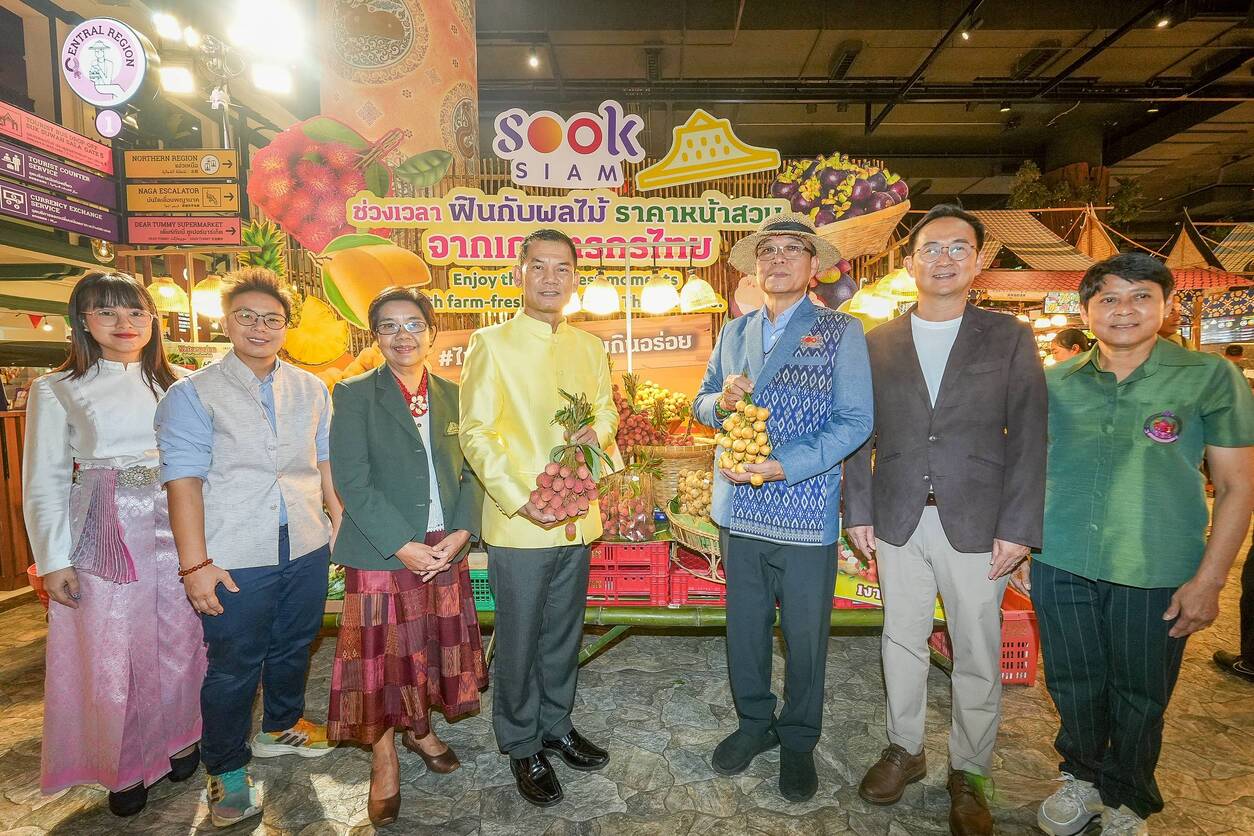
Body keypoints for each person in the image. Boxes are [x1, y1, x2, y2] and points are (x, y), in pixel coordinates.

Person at [1032, 252, 1254, 836]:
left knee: (1141, 691)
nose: (1123, 310)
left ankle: (1128, 799)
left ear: (1166, 306)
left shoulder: (1209, 376)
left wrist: (1210, 581)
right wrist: (1022, 548)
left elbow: (1236, 486)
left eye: (1140, 297)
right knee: (1072, 680)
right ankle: (1081, 776)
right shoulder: (1054, 383)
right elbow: (1029, 469)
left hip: (1155, 565)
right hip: (1062, 558)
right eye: (1108, 298)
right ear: (1085, 311)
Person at [845, 204, 1047, 836]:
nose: (944, 258)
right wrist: (858, 509)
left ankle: (970, 771)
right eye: (931, 248)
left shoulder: (1008, 336)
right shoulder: (877, 341)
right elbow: (859, 431)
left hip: (980, 522)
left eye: (959, 248)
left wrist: (1019, 526)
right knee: (900, 638)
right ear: (909, 263)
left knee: (977, 648)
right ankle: (905, 748)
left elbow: (1031, 436)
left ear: (979, 261)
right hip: (897, 516)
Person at [692, 213, 873, 802]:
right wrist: (722, 401)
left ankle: (798, 738)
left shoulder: (840, 332)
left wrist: (783, 465)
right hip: (739, 508)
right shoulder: (733, 331)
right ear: (754, 267)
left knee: (804, 636)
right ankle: (754, 723)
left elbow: (856, 421)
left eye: (792, 250)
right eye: (768, 251)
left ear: (813, 265)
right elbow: (700, 403)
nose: (778, 259)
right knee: (745, 629)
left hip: (804, 510)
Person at [156, 268, 343, 828]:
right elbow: (183, 482)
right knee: (234, 664)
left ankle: (280, 726)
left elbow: (323, 460)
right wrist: (195, 565)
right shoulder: (192, 393)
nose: (260, 327)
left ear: (286, 327)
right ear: (226, 321)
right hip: (233, 550)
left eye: (272, 319)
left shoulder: (311, 388)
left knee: (295, 644)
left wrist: (337, 518)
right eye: (247, 316)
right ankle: (226, 768)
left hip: (305, 541)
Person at [22, 272, 205, 817]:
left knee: (183, 638)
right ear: (82, 321)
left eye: (135, 312)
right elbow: (44, 479)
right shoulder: (57, 388)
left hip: (178, 522)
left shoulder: (185, 383)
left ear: (153, 320)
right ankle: (124, 764)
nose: (124, 324)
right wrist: (53, 560)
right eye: (106, 312)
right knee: (110, 650)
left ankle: (181, 736)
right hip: (106, 529)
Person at [459, 228, 618, 807]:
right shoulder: (490, 343)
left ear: (576, 278)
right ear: (519, 273)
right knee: (520, 639)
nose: (551, 278)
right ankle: (521, 742)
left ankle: (556, 725)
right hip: (520, 519)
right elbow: (476, 432)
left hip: (578, 514)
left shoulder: (589, 346)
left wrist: (597, 433)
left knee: (564, 633)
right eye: (539, 266)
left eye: (563, 268)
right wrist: (516, 496)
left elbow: (607, 412)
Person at [327, 287, 487, 827]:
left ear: (432, 333)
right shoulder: (354, 394)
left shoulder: (455, 395)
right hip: (382, 548)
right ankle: (384, 757)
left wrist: (462, 531)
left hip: (443, 544)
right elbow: (352, 480)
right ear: (376, 336)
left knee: (427, 646)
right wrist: (401, 544)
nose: (403, 335)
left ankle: (421, 730)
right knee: (382, 657)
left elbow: (472, 470)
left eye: (414, 324)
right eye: (390, 325)